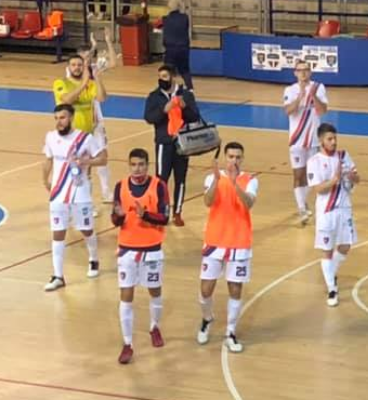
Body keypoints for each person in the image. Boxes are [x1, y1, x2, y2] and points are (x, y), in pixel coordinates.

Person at [196, 142, 258, 353]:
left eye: (238, 157)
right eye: (231, 156)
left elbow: (249, 203)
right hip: (215, 241)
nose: (234, 160)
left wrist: (234, 184)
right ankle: (207, 318)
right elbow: (207, 201)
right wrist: (216, 181)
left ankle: (230, 332)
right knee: (206, 289)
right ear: (225, 157)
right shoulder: (212, 178)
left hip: (239, 242)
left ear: (242, 159)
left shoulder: (250, 180)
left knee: (235, 289)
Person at [111, 148, 170, 364]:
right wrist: (117, 217)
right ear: (129, 165)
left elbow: (165, 218)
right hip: (127, 248)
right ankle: (127, 344)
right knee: (126, 295)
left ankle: (154, 327)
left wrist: (145, 215)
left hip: (152, 248)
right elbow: (116, 219)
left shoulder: (159, 186)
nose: (137, 169)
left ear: (148, 165)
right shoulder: (120, 186)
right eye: (133, 164)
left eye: (141, 164)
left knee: (154, 291)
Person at [42, 104, 107, 291]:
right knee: (58, 232)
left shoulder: (85, 138)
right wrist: (45, 180)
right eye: (56, 118)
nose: (59, 122)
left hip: (80, 192)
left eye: (62, 118)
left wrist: (87, 161)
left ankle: (94, 259)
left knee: (86, 229)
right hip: (58, 193)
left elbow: (103, 158)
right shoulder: (50, 137)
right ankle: (58, 276)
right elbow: (48, 160)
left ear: (71, 118)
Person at [307, 123, 359, 307]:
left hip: (344, 208)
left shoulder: (344, 156)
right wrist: (335, 180)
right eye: (330, 139)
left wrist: (352, 177)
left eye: (335, 138)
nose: (334, 142)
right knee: (327, 250)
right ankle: (331, 289)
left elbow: (358, 178)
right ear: (321, 140)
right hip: (326, 211)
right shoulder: (314, 161)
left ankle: (330, 272)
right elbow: (318, 189)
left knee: (345, 245)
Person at [144, 64, 200, 227]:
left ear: (173, 77)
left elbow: (195, 117)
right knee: (161, 179)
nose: (161, 80)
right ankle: (162, 211)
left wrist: (185, 108)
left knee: (180, 179)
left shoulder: (186, 95)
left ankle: (178, 212)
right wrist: (164, 110)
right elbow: (149, 118)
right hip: (164, 143)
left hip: (182, 144)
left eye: (165, 76)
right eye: (159, 77)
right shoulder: (154, 96)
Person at [71, 28, 117, 205]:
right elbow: (84, 62)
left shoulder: (94, 69)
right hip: (81, 124)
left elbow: (113, 63)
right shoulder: (72, 73)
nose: (86, 58)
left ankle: (106, 192)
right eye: (83, 56)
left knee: (102, 157)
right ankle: (85, 201)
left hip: (97, 121)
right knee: (85, 163)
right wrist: (93, 47)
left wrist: (108, 41)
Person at [283, 60, 328, 225]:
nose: (303, 73)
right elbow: (288, 111)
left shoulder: (318, 87)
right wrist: (300, 97)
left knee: (312, 176)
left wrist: (313, 96)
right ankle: (302, 208)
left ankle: (304, 202)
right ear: (295, 73)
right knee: (298, 175)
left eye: (306, 70)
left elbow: (322, 110)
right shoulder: (290, 90)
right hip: (296, 140)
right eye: (300, 70)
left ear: (310, 72)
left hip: (313, 140)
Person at [53, 54, 107, 136]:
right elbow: (67, 100)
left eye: (79, 65)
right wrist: (84, 83)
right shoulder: (60, 83)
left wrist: (97, 79)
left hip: (87, 131)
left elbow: (101, 98)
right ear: (68, 67)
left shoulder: (91, 84)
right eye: (73, 65)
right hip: (69, 131)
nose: (77, 67)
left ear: (84, 67)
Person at [162, 0, 193, 90]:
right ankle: (190, 88)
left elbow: (165, 35)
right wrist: (184, 8)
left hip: (170, 49)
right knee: (185, 70)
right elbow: (187, 27)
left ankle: (166, 88)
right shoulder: (185, 18)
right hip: (183, 49)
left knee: (167, 70)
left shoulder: (165, 19)